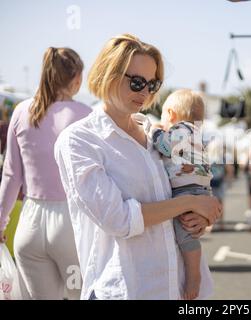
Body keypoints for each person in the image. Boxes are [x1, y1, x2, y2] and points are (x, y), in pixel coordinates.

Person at [54, 34, 221, 300]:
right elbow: (119, 219)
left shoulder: (154, 131)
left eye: (152, 84)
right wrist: (190, 203)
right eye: (136, 82)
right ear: (108, 74)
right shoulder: (79, 140)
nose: (145, 92)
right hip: (127, 289)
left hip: (178, 287)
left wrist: (200, 216)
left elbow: (186, 183)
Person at [0, 47, 90, 299]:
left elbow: (10, 174)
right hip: (71, 224)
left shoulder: (21, 111)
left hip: (30, 225)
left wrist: (0, 220)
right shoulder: (86, 115)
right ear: (76, 79)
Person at [150, 89, 213, 300]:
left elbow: (166, 147)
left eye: (162, 119)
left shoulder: (181, 129)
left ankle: (194, 275)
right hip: (200, 188)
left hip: (187, 189)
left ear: (171, 115)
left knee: (184, 232)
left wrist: (155, 132)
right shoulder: (197, 135)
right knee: (188, 230)